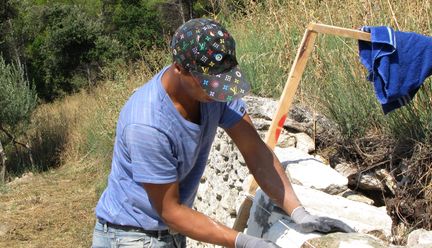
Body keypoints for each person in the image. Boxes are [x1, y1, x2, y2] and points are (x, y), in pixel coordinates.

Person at [92, 18, 354, 248]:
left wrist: (299, 213)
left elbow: (257, 154)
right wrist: (243, 241)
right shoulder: (147, 124)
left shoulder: (215, 92)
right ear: (179, 69)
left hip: (168, 232)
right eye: (209, 83)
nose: (217, 90)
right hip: (129, 236)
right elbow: (170, 211)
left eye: (222, 80)